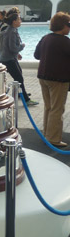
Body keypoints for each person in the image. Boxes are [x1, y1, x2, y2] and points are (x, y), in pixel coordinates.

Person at [34, 12, 70, 147]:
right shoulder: (65, 42)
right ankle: (54, 139)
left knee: (49, 107)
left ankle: (47, 134)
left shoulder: (45, 38)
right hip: (58, 79)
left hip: (43, 77)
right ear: (63, 26)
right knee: (57, 109)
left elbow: (36, 55)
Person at [0, 7, 38, 106]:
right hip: (7, 60)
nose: (21, 21)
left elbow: (10, 48)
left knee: (18, 77)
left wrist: (17, 52)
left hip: (10, 58)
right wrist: (21, 47)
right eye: (19, 19)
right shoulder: (11, 31)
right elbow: (12, 48)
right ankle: (26, 100)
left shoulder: (12, 30)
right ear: (14, 21)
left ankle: (21, 94)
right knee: (19, 78)